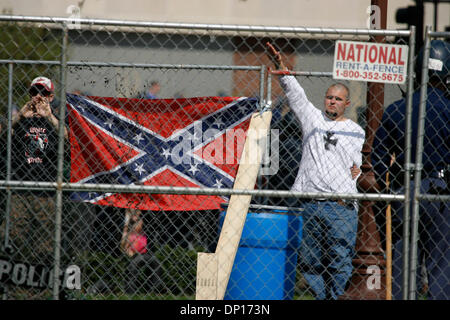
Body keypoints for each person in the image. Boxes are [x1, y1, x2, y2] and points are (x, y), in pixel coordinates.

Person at [266, 43, 365, 300]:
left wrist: (353, 180)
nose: (332, 101)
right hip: (311, 204)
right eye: (329, 97)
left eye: (338, 99)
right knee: (310, 265)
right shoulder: (313, 119)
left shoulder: (356, 131)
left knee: (340, 263)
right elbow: (296, 95)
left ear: (347, 103)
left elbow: (359, 167)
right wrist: (281, 67)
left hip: (340, 207)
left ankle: (337, 298)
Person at [372, 40, 449, 300]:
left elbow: (379, 155)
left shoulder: (397, 109)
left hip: (403, 189)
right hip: (439, 191)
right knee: (441, 262)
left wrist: (387, 182)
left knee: (404, 260)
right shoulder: (448, 110)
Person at [0, 76, 67, 298]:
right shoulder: (21, 120)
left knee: (44, 246)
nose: (38, 97)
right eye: (34, 92)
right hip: (21, 190)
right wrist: (19, 117)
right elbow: (3, 138)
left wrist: (49, 116)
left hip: (46, 192)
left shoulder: (55, 121)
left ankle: (37, 292)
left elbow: (67, 141)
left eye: (43, 93)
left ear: (51, 96)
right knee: (12, 238)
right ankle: (13, 289)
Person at [120, 208, 163, 294]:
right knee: (134, 266)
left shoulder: (145, 234)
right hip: (135, 256)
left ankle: (153, 290)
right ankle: (130, 291)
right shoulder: (129, 234)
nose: (139, 223)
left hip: (145, 254)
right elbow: (124, 248)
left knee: (156, 264)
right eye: (138, 222)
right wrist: (130, 252)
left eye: (140, 221)